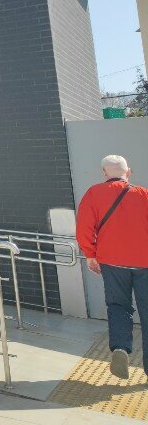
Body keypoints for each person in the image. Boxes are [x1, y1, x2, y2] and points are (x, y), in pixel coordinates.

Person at [76, 154, 148, 380]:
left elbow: (84, 228)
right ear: (129, 172)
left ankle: (120, 348)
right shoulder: (144, 194)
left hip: (112, 262)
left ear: (104, 173)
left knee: (118, 306)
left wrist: (91, 255)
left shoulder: (93, 193)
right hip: (145, 263)